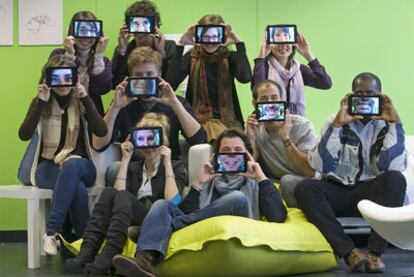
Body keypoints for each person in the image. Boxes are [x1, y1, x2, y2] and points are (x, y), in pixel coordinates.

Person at [112, 129, 287, 277]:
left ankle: (159, 228)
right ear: (216, 156)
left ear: (247, 155)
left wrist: (261, 177)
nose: (232, 155)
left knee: (236, 198)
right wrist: (198, 184)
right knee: (161, 205)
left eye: (238, 150)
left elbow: (278, 217)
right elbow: (187, 213)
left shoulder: (257, 182)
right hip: (199, 228)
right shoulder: (209, 181)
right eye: (226, 150)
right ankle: (144, 261)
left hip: (239, 227)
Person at [294, 73, 407, 273]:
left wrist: (394, 124)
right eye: (359, 94)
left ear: (380, 98)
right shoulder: (334, 121)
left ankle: (375, 254)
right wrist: (337, 125)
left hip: (371, 195)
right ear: (350, 96)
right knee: (305, 187)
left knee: (396, 179)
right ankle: (349, 252)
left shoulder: (387, 124)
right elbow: (321, 166)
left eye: (370, 95)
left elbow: (392, 166)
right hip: (339, 191)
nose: (364, 99)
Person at [65, 113, 187, 274]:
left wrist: (167, 163)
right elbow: (114, 197)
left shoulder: (176, 166)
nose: (148, 145)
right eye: (142, 139)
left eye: (153, 138)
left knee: (122, 195)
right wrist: (125, 160)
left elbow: (173, 202)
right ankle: (87, 251)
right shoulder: (134, 167)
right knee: (110, 192)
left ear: (163, 140)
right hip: (130, 218)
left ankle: (109, 254)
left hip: (156, 220)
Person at [18, 55, 108, 256]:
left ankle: (51, 232)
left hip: (82, 165)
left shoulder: (81, 100)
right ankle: (86, 245)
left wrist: (85, 96)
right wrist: (41, 103)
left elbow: (101, 131)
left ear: (75, 78)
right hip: (48, 167)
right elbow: (24, 134)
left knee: (72, 166)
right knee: (76, 188)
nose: (62, 83)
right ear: (47, 79)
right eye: (55, 78)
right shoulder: (41, 102)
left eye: (67, 77)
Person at [93, 47, 206, 186]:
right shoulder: (122, 104)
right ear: (130, 77)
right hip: (133, 168)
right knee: (113, 170)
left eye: (149, 74)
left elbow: (200, 140)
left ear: (159, 75)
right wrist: (115, 107)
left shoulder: (176, 102)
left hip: (167, 165)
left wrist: (175, 104)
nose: (144, 79)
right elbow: (98, 145)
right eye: (139, 74)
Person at [167, 14, 252, 142]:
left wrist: (238, 43)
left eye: (215, 36)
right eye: (206, 36)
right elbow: (172, 82)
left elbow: (245, 77)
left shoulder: (229, 56)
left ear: (223, 36)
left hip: (229, 122)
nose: (210, 42)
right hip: (197, 122)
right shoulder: (192, 56)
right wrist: (181, 44)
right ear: (199, 36)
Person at [246, 80, 316, 207]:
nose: (270, 103)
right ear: (254, 103)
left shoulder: (302, 125)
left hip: (306, 182)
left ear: (282, 100)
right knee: (249, 181)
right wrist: (250, 138)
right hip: (276, 181)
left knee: (287, 181)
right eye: (264, 99)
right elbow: (249, 166)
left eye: (274, 98)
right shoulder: (257, 127)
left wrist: (286, 139)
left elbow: (310, 171)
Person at [253, 28, 332, 116]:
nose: (282, 46)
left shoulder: (299, 69)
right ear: (269, 44)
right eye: (278, 42)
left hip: (296, 124)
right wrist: (261, 55)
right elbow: (256, 89)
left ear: (293, 45)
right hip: (269, 122)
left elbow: (325, 83)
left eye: (286, 41)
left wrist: (308, 54)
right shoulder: (263, 67)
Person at [49, 11, 112, 116]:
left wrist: (98, 55)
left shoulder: (103, 61)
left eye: (91, 31)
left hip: (92, 116)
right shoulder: (58, 54)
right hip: (62, 113)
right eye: (82, 30)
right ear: (73, 32)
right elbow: (57, 84)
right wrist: (69, 55)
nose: (86, 37)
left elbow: (101, 89)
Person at [112, 0, 176, 86]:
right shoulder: (124, 48)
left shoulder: (169, 46)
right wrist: (122, 52)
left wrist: (161, 53)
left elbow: (171, 84)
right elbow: (114, 83)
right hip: (131, 97)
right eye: (135, 23)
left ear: (156, 26)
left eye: (145, 23)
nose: (140, 29)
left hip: (160, 97)